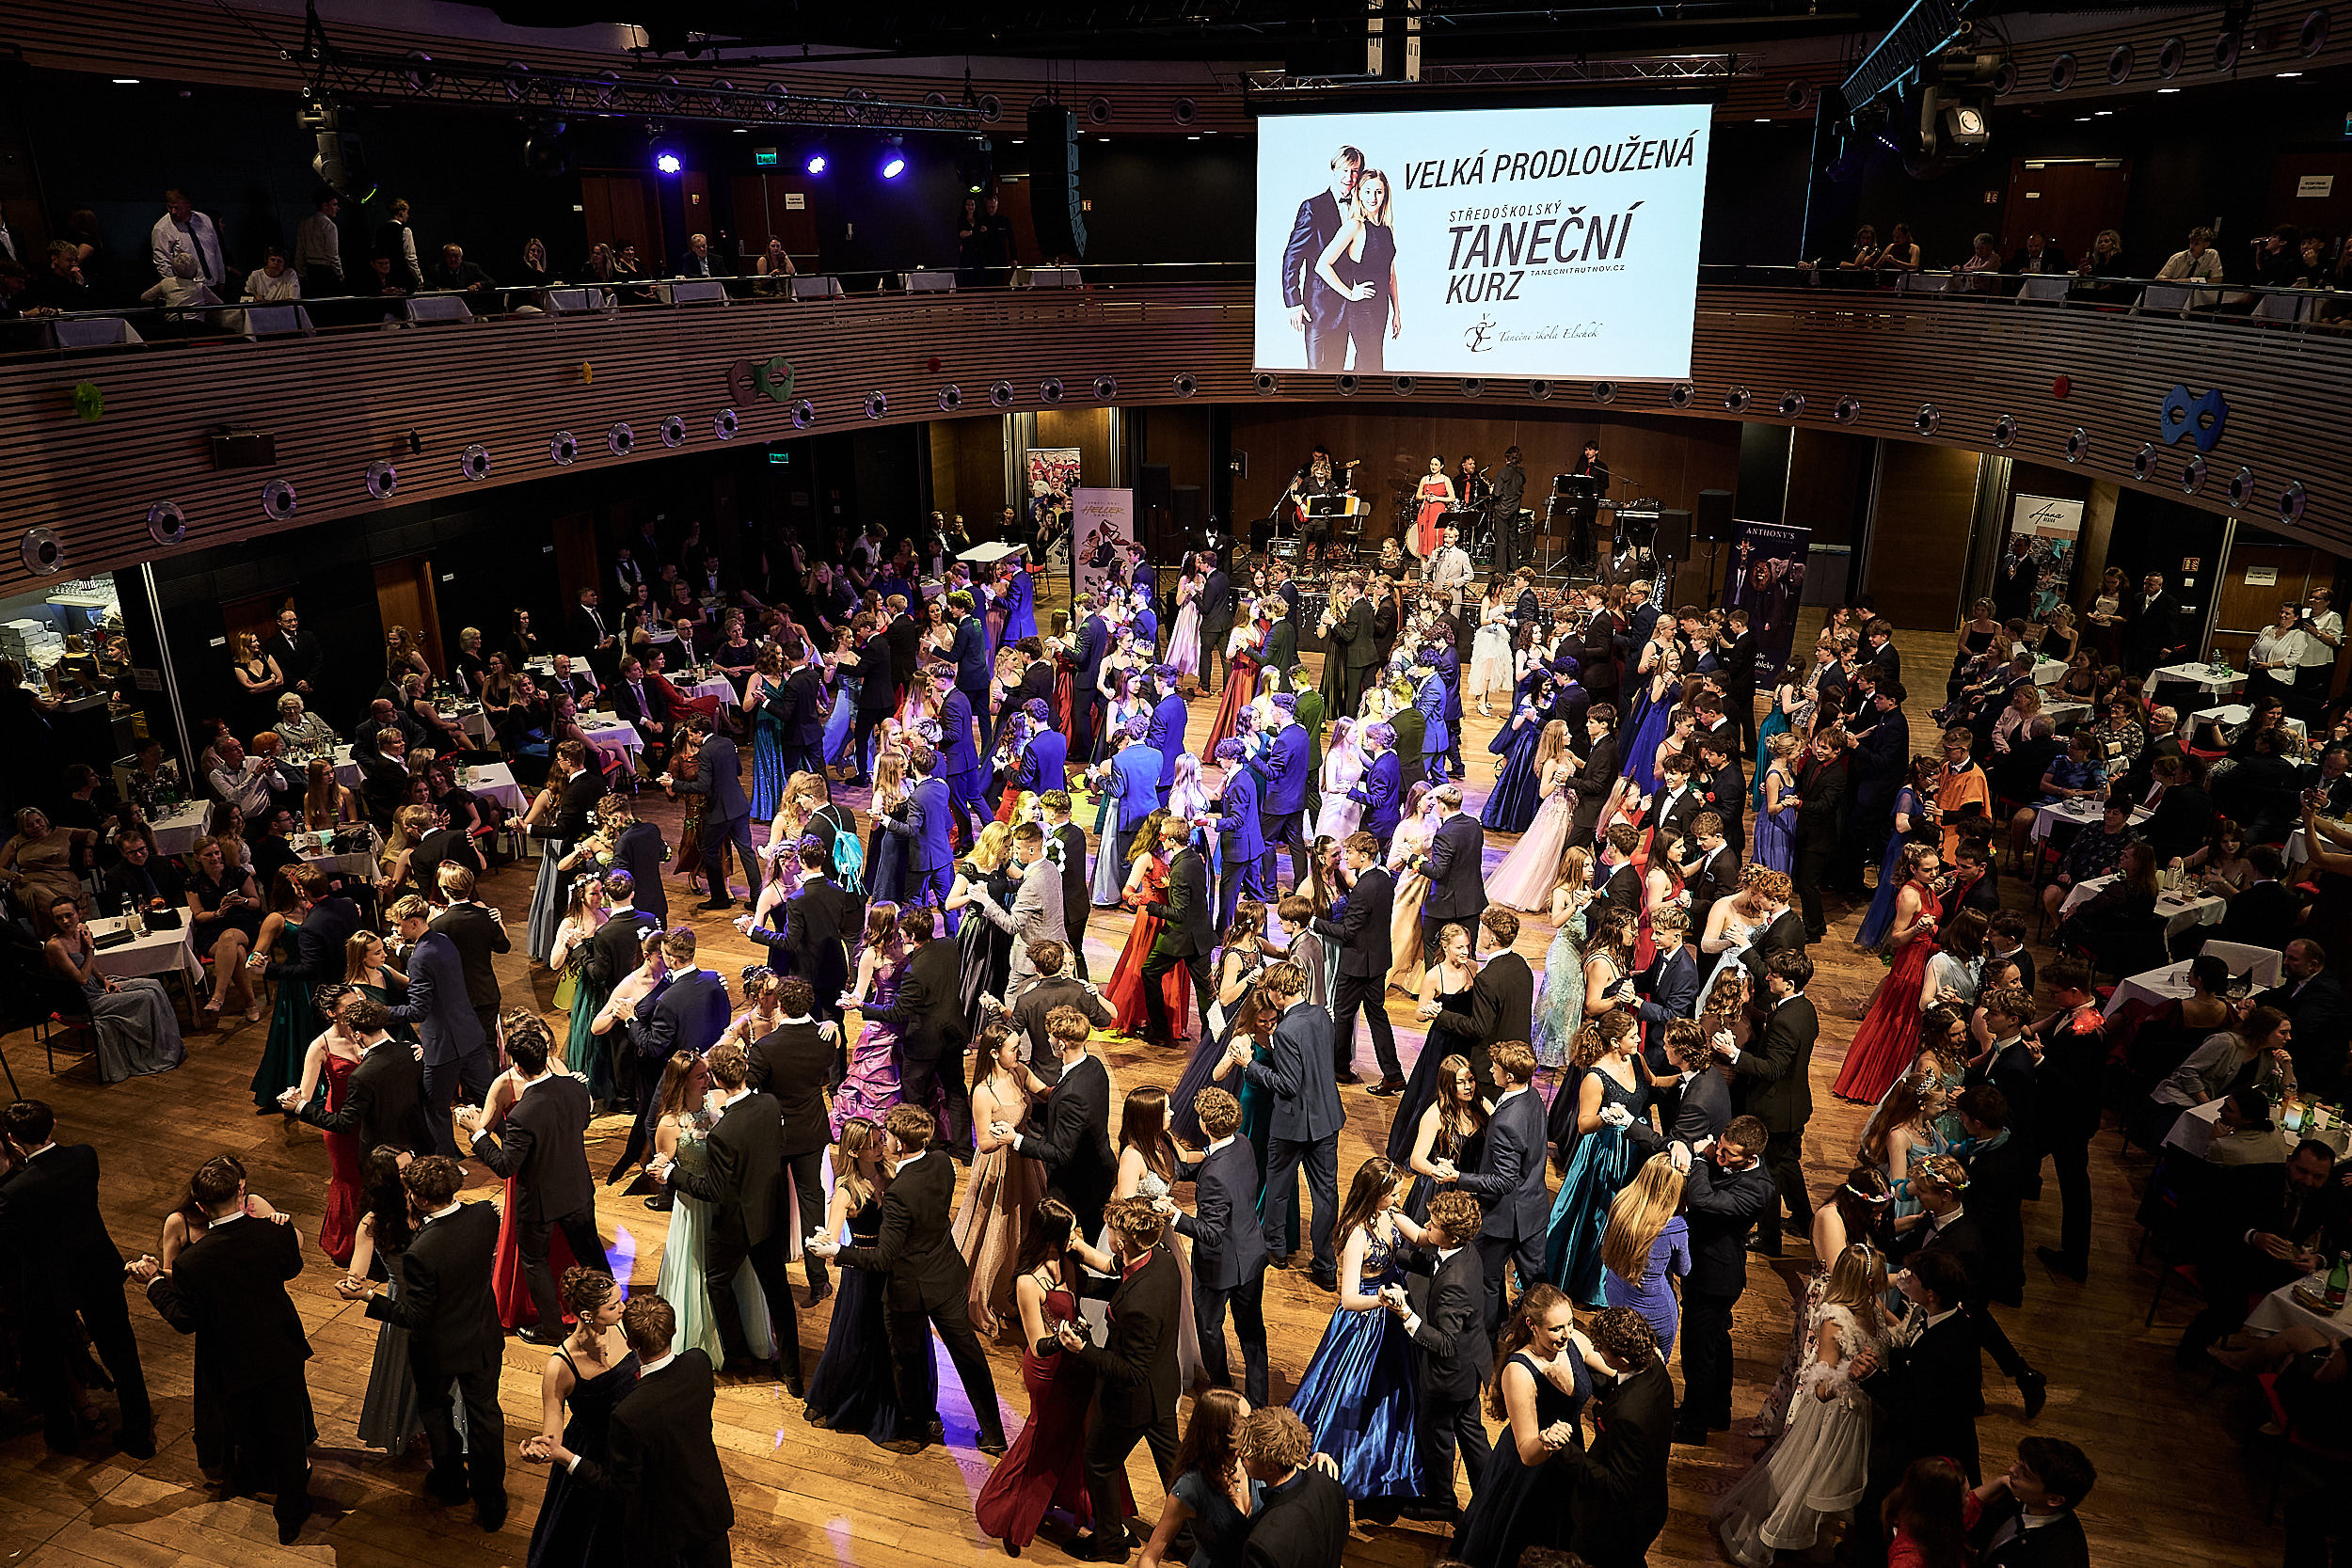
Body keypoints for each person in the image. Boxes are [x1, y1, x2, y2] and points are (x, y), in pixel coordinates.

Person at [131, 1154, 319, 1543]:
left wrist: (153, 1283)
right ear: (241, 1191)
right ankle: (291, 1513)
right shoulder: (275, 1232)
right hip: (280, 1349)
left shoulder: (193, 1263)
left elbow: (184, 1320)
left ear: (200, 1206)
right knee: (287, 1432)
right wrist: (279, 1226)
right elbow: (291, 1269)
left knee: (246, 1427)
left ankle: (254, 1479)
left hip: (229, 1359)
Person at [809, 1104, 1009, 1455]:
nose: (882, 1142)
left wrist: (836, 1253)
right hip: (946, 1277)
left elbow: (884, 1258)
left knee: (907, 1358)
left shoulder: (899, 1191)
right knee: (968, 1355)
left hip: (909, 1288)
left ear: (899, 1144)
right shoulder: (942, 1163)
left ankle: (916, 1426)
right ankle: (993, 1433)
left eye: (885, 1137)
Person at [339, 1155, 506, 1529]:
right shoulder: (485, 1215)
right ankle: (492, 1502)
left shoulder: (421, 1252)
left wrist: (368, 1297)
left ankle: (451, 1484)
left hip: (438, 1350)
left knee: (437, 1412)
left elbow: (415, 1316)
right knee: (486, 1419)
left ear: (419, 1198)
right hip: (482, 1337)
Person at [522, 1294, 735, 1568]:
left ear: (631, 1343)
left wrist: (566, 1457)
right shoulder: (699, 1363)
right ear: (674, 1329)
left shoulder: (628, 1416)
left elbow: (618, 1490)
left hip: (660, 1531)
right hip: (707, 1511)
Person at [1711, 1243, 1889, 1565]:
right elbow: (1820, 1388)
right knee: (1812, 1483)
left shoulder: (1873, 1306)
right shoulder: (1834, 1320)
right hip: (1839, 1420)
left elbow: (1895, 1334)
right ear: (1865, 1281)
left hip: (1870, 1413)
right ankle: (1788, 1543)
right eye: (1879, 1276)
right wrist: (1850, 1372)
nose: (1884, 1281)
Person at [0, 1101, 155, 1458]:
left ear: (13, 1139)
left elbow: (11, 1241)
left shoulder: (13, 1191)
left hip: (48, 1282)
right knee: (122, 1353)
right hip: (97, 1268)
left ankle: (62, 1435)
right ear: (53, 1124)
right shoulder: (85, 1156)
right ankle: (138, 1433)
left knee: (50, 1358)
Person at [461, 1015, 611, 1347]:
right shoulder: (575, 1087)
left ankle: (552, 1330)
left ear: (516, 1065)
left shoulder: (522, 1114)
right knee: (591, 1255)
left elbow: (505, 1166)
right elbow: (581, 1124)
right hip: (578, 1190)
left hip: (539, 1203)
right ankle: (610, 1308)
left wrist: (476, 1134)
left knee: (534, 1262)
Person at [1285, 1155, 1425, 1509]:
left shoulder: (1389, 1214)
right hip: (1367, 1317)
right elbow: (1348, 1299)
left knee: (1395, 1384)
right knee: (1357, 1389)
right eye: (1393, 1194)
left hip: (1393, 1308)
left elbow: (1421, 1236)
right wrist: (1381, 1299)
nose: (1399, 1199)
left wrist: (1451, 1234)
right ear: (1375, 1194)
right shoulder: (1357, 1236)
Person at [1056, 1196, 1185, 1561]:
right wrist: (1081, 1268)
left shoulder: (1139, 1305)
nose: (1108, 1235)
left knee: (1099, 1461)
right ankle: (1188, 1539)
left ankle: (1110, 1543)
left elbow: (1131, 1371)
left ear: (1122, 1242)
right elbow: (1121, 1279)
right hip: (1164, 1386)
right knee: (1174, 1468)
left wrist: (1083, 1350)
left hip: (1133, 1401)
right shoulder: (1162, 1260)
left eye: (1112, 1231)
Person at [1450, 1283, 1590, 1567]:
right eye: (1556, 1329)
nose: (1567, 1333)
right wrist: (1548, 1441)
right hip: (1530, 1471)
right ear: (1532, 1326)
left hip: (1569, 1455)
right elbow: (1527, 1452)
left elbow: (1614, 1368)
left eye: (1570, 1323)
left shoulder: (1574, 1341)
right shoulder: (1519, 1371)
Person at [1674, 1115, 1780, 1446]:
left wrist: (1700, 1160)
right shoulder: (1732, 1162)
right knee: (1717, 1343)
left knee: (1697, 1354)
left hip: (1715, 1277)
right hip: (1711, 1269)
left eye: (1728, 1154)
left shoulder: (1758, 1189)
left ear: (1751, 1157)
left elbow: (1702, 1200)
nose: (1719, 1155)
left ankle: (1693, 1426)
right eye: (1719, 1146)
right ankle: (1718, 1412)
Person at [521, 1267, 637, 1566]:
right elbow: (553, 1436)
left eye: (620, 1300)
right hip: (595, 1456)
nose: (623, 1308)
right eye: (613, 1306)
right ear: (587, 1315)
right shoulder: (560, 1366)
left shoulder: (624, 1327)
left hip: (636, 1443)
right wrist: (539, 1450)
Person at [1388, 1188, 1491, 1523]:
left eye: (1433, 1225)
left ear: (1452, 1236)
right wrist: (1397, 1255)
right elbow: (1434, 1263)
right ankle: (1493, 1498)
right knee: (1472, 1433)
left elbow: (1446, 1343)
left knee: (1436, 1435)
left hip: (1448, 1377)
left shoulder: (1454, 1284)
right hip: (1472, 1364)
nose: (1426, 1227)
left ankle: (1441, 1501)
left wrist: (1406, 1314)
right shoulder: (1465, 1251)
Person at [1237, 961, 1343, 1288]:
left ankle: (1277, 1250)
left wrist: (1251, 1066)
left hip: (1292, 1125)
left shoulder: (1285, 1031)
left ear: (1279, 993)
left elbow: (1288, 1084)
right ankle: (1325, 1266)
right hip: (1327, 1119)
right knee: (1326, 1195)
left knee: (1278, 1187)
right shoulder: (1322, 1015)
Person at [1730, 950, 1822, 1256]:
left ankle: (1769, 1238)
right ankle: (1805, 1220)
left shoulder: (1785, 1020)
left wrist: (1735, 1055)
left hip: (1776, 1111)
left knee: (1768, 1174)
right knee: (1788, 1164)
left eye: (1774, 975)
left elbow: (1772, 1068)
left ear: (1790, 983)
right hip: (1795, 1105)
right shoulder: (1804, 1008)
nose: (1767, 977)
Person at [41, 896, 185, 1083]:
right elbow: (82, 978)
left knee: (154, 986)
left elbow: (87, 965)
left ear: (79, 913)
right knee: (146, 997)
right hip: (82, 1000)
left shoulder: (81, 930)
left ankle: (168, 1045)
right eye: (59, 918)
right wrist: (91, 948)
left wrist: (104, 980)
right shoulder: (55, 945)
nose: (65, 921)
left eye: (69, 915)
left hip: (96, 986)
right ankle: (154, 1054)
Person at [1600, 1152, 1692, 1354]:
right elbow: (1683, 1269)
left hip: (1615, 1292)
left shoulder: (1621, 1203)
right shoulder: (1674, 1227)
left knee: (1620, 1354)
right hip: (1653, 1310)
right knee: (1655, 1364)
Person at [1238, 1406, 1351, 1568]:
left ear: (1270, 1467)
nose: (1240, 1455)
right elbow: (1341, 1535)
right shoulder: (1328, 1476)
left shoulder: (1261, 1545)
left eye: (1248, 1454)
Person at [1968, 1438, 2096, 1568]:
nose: (2012, 1469)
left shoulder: (2057, 1557)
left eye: (2025, 1474)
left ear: (2054, 1500)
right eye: (2018, 1464)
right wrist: (1999, 1482)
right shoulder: (2025, 1502)